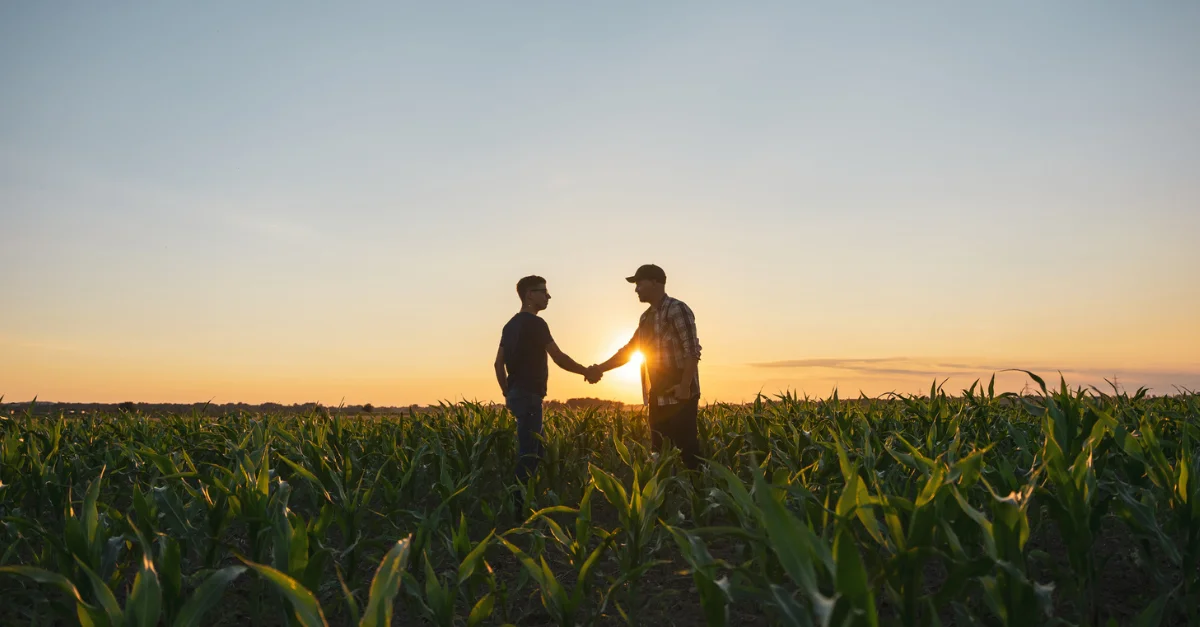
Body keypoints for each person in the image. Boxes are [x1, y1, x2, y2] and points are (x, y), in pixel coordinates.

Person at [494, 275, 601, 491]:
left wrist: (508, 393)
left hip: (517, 394)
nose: (548, 296)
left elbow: (498, 364)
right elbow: (558, 357)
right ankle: (517, 505)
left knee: (538, 449)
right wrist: (585, 371)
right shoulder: (536, 323)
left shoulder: (509, 326)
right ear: (529, 295)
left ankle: (529, 498)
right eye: (543, 291)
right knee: (530, 453)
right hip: (530, 395)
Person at [591, 264, 702, 469]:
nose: (636, 289)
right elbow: (630, 350)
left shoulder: (677, 309)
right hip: (657, 396)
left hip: (680, 396)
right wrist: (599, 368)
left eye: (639, 283)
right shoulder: (645, 317)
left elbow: (692, 350)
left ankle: (699, 495)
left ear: (655, 282)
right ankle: (665, 498)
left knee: (688, 453)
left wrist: (685, 387)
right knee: (658, 455)